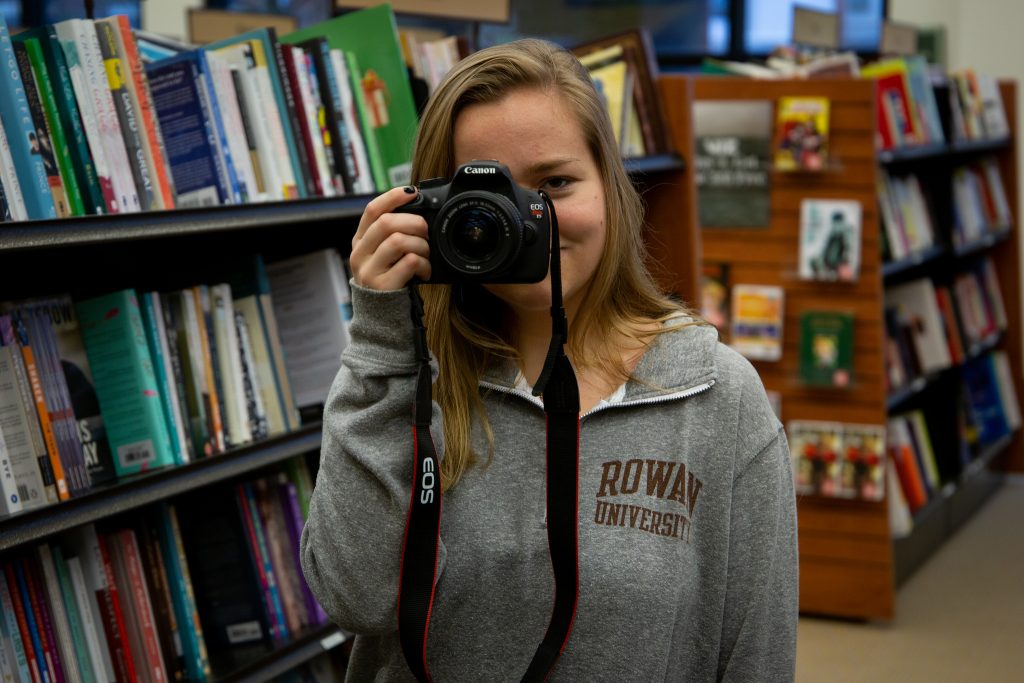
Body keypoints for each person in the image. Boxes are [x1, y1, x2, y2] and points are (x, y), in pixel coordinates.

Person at [301, 38, 798, 681]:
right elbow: (356, 600)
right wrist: (380, 343)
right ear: (433, 213)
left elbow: (757, 655)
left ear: (611, 190)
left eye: (555, 184)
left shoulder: (717, 398)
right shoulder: (404, 382)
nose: (527, 219)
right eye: (492, 197)